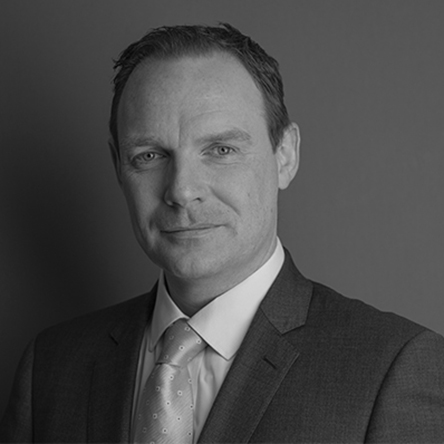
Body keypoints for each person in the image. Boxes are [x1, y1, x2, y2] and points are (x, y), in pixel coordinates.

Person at [1, 23, 444, 443]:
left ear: (285, 155)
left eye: (221, 150)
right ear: (119, 165)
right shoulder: (52, 367)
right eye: (150, 155)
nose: (182, 190)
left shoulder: (392, 370)